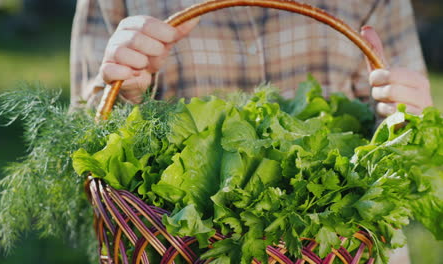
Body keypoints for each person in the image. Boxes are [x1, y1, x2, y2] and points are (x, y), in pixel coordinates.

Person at [70, 0, 433, 262]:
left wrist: (407, 113)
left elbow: (407, 128)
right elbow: (83, 148)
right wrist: (121, 91)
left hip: (345, 251)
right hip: (178, 249)